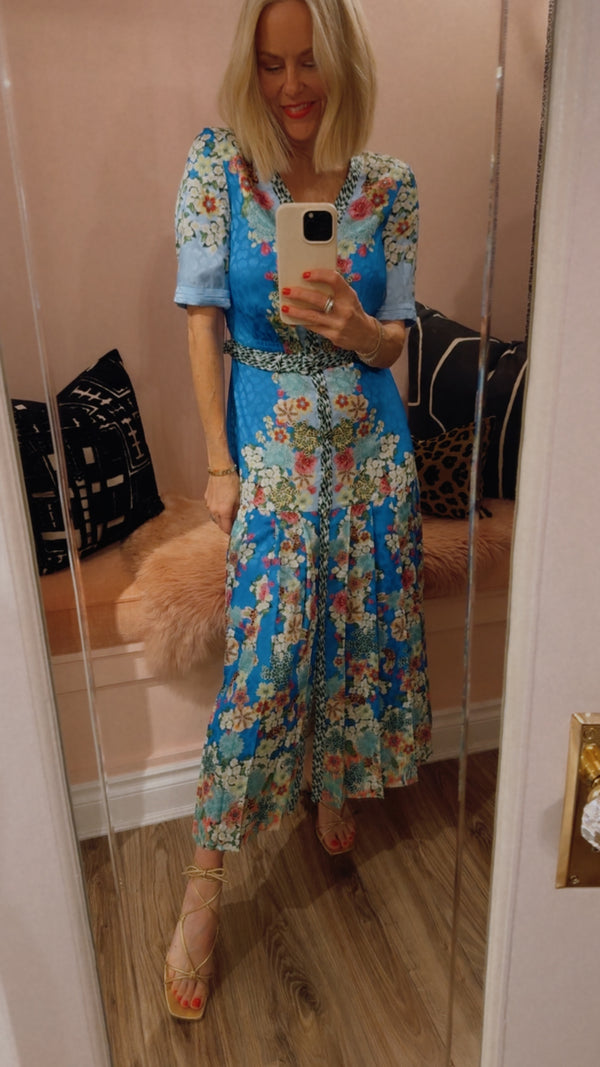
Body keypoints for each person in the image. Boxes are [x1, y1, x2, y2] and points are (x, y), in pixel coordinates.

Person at [164, 0, 431, 1021]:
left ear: (343, 62)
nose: (290, 87)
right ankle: (204, 887)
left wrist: (361, 328)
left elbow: (395, 338)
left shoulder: (391, 185)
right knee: (268, 657)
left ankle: (334, 779)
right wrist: (217, 461)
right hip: (270, 443)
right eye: (271, 65)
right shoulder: (219, 168)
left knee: (356, 630)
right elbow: (202, 318)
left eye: (308, 62)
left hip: (371, 448)